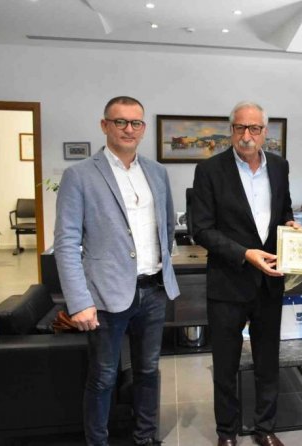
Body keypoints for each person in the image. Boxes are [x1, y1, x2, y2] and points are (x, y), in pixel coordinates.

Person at [54, 96, 180, 446]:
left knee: (148, 371)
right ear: (104, 125)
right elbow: (66, 243)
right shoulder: (79, 175)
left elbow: (168, 227)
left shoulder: (157, 172)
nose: (128, 129)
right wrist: (80, 301)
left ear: (143, 128)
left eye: (136, 123)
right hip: (105, 295)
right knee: (103, 376)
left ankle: (145, 437)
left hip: (153, 291)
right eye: (120, 121)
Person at [191, 101, 298, 446]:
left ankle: (265, 428)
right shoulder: (209, 170)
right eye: (240, 127)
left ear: (265, 132)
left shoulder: (279, 166)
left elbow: (283, 209)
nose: (246, 135)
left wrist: (291, 225)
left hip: (269, 282)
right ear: (231, 130)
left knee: (268, 362)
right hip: (228, 283)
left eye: (254, 128)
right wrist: (244, 254)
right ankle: (227, 432)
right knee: (226, 364)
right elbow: (201, 229)